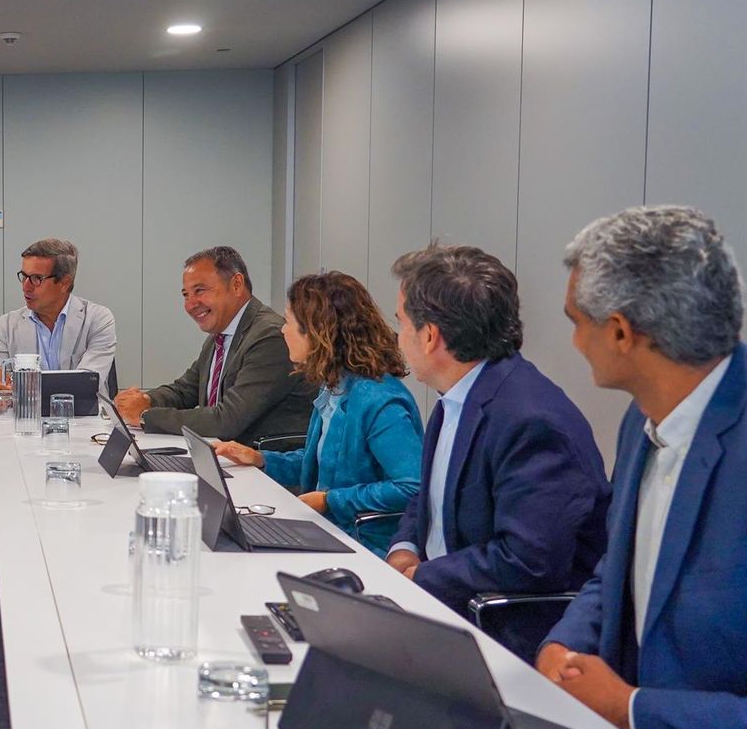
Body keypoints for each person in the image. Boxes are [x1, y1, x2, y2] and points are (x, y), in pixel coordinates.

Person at [538, 205, 746, 729]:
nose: (574, 342)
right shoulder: (643, 420)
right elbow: (619, 569)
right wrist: (563, 646)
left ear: (622, 333)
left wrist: (628, 708)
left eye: (577, 322)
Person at [386, 242, 609, 612]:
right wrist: (404, 547)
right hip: (442, 597)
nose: (398, 336)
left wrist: (423, 576)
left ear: (429, 336)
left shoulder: (531, 421)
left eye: (401, 322)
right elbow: (433, 495)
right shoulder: (456, 398)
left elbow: (527, 559)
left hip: (498, 624)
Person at [213, 272, 423, 556]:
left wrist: (331, 500)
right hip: (326, 528)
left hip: (363, 542)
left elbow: (412, 486)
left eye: (289, 322)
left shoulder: (379, 400)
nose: (283, 330)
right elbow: (326, 464)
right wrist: (262, 459)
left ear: (318, 332)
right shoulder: (334, 385)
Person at [114, 246, 313, 443]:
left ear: (236, 284)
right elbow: (185, 390)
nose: (190, 305)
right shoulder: (219, 336)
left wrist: (145, 416)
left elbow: (227, 420)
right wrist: (143, 400)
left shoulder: (270, 336)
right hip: (223, 455)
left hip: (263, 461)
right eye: (186, 295)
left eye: (199, 290)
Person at [0, 238, 117, 388]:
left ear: (64, 282)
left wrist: (14, 382)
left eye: (36, 278)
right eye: (24, 276)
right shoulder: (8, 324)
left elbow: (85, 385)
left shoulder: (97, 319)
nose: (26, 287)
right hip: (22, 405)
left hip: (84, 405)